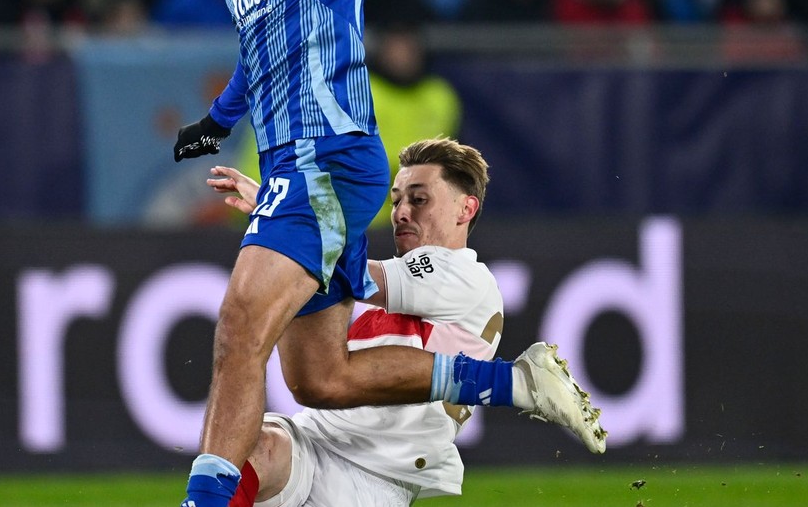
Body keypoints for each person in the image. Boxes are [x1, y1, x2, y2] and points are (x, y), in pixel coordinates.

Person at [151, 0, 599, 507]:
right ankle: (518, 382)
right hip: (288, 166)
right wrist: (218, 117)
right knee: (317, 378)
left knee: (239, 328)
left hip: (328, 157)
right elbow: (258, 48)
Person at [205, 138, 578, 506]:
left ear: (465, 209)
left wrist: (284, 216)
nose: (401, 212)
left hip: (373, 477)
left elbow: (351, 274)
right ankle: (511, 383)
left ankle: (511, 383)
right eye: (396, 200)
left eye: (419, 199)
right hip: (314, 438)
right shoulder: (403, 286)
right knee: (250, 447)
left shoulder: (466, 276)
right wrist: (283, 216)